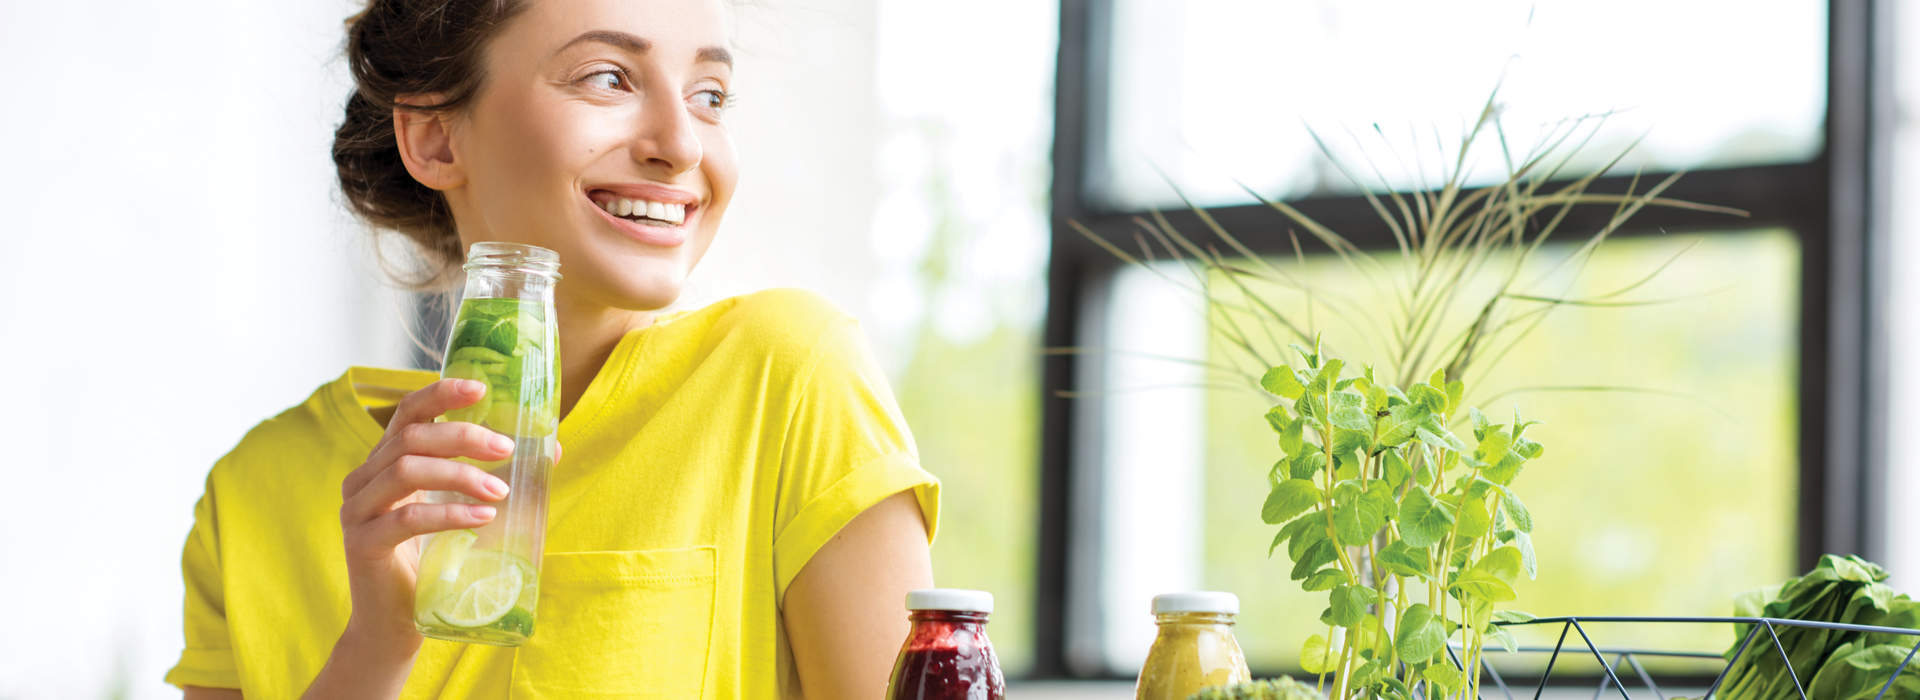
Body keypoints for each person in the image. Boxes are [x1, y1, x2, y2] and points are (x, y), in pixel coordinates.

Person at [165, 0, 940, 697]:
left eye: (710, 96)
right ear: (435, 138)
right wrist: (375, 649)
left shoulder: (790, 379)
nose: (679, 144)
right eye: (608, 78)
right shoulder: (252, 495)